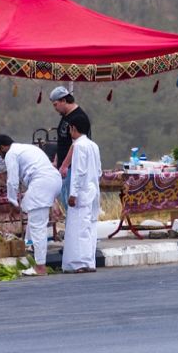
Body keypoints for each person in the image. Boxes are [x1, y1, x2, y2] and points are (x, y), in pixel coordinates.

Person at [0, 134, 63, 276]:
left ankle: (40, 267)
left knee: (37, 227)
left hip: (42, 182)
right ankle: (30, 251)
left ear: (2, 148)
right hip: (53, 181)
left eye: (0, 155)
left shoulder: (11, 153)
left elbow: (12, 181)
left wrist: (12, 203)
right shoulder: (25, 147)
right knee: (33, 216)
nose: (2, 158)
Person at [63, 112, 101, 273]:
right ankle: (88, 261)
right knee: (89, 227)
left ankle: (79, 263)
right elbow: (98, 171)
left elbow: (78, 171)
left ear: (73, 128)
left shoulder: (79, 146)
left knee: (78, 228)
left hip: (82, 192)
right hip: (92, 191)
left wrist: (73, 194)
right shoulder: (93, 145)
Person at [49, 86, 91, 205]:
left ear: (64, 100)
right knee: (64, 200)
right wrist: (56, 160)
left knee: (71, 203)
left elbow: (76, 145)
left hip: (72, 167)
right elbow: (62, 141)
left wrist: (64, 165)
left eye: (55, 104)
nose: (55, 108)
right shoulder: (65, 116)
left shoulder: (78, 117)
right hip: (64, 166)